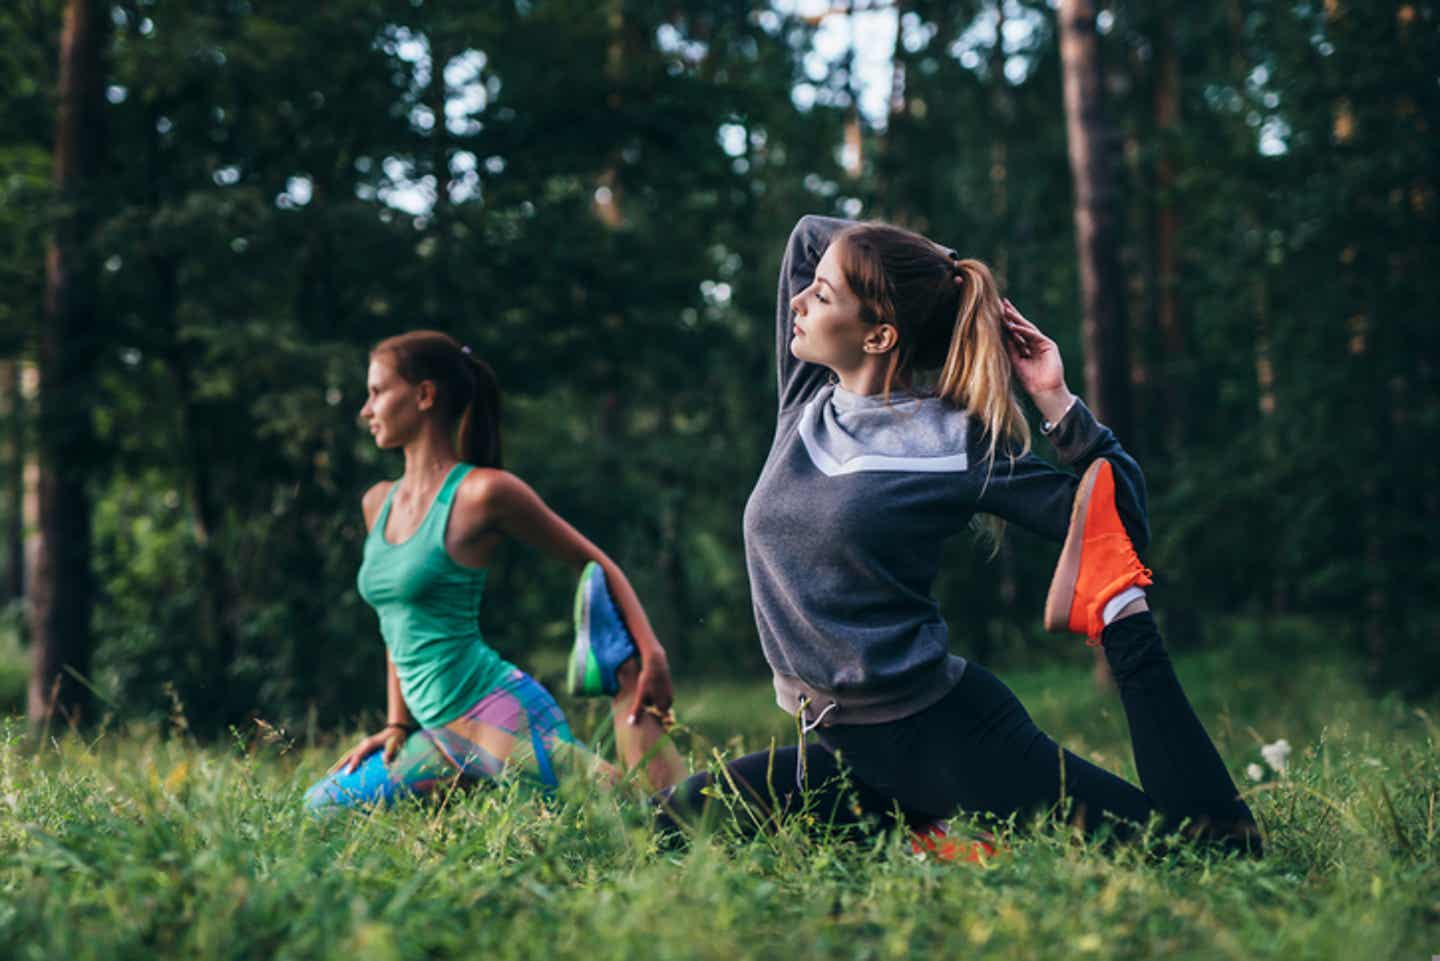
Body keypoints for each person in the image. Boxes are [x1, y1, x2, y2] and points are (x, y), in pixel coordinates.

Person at [654, 216, 1260, 855]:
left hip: (944, 736)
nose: (798, 301)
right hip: (844, 751)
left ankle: (1120, 624)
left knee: (1203, 853)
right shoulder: (807, 400)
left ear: (881, 335)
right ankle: (933, 837)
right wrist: (942, 273)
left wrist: (1056, 401)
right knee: (656, 830)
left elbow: (1121, 521)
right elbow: (809, 235)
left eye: (823, 295)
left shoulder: (954, 444)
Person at [304, 330, 683, 813]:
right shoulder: (376, 503)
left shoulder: (483, 493)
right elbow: (396, 626)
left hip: (497, 717)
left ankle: (624, 689)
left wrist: (650, 654)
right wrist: (398, 724)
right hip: (440, 737)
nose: (365, 409)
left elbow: (594, 562)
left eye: (377, 392)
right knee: (323, 808)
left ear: (423, 395)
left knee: (644, 818)